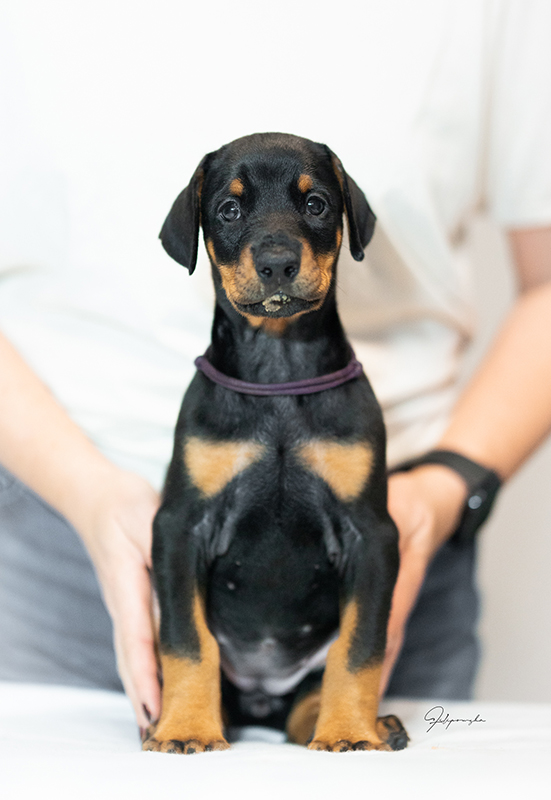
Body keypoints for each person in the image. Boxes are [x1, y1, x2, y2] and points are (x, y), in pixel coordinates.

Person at [1, 1, 550, 731]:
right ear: (198, 237)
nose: (276, 249)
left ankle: (328, 706)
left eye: (313, 207)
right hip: (62, 544)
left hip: (405, 562)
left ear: (346, 227)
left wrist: (452, 482)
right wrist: (87, 491)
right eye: (231, 214)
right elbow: (183, 530)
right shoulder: (205, 408)